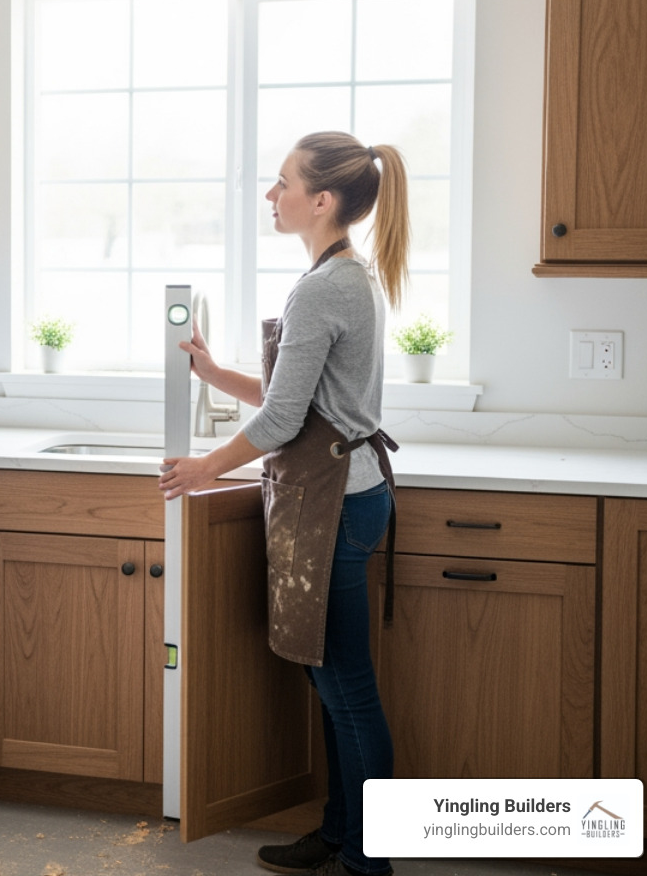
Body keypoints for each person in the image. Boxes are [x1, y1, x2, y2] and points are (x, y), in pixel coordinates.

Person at [158, 131, 408, 876]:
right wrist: (212, 371)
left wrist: (204, 466)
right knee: (329, 684)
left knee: (347, 690)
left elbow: (279, 424)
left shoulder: (326, 286)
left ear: (322, 200)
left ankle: (369, 857)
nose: (272, 196)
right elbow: (291, 400)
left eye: (282, 183)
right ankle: (339, 833)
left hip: (332, 506)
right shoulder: (344, 277)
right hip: (340, 497)